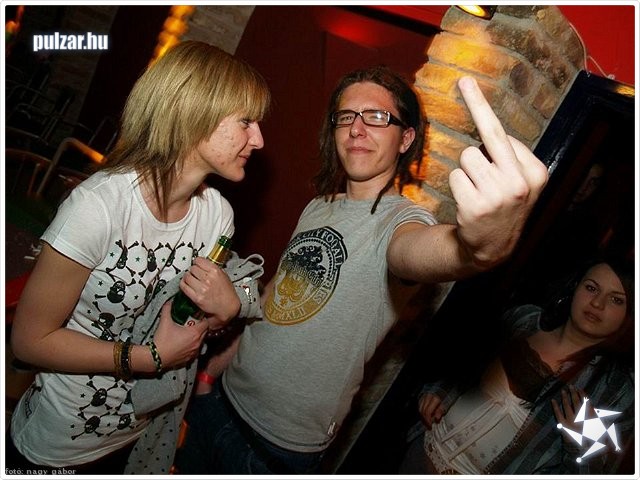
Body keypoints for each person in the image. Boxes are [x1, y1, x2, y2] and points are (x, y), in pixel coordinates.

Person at [173, 65, 548, 474]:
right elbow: (273, 302)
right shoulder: (318, 206)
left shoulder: (401, 222)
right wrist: (213, 372)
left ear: (406, 138)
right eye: (346, 117)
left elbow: (423, 251)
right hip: (220, 401)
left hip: (275, 450)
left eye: (377, 117)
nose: (356, 129)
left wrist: (481, 246)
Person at [7, 41, 270, 474]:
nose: (258, 139)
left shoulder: (217, 215)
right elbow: (29, 341)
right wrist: (149, 358)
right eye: (246, 121)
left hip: (140, 440)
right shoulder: (99, 207)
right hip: (58, 447)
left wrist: (225, 311)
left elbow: (185, 325)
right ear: (193, 113)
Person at [399, 257, 635, 474]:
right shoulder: (525, 319)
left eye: (616, 299)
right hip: (422, 452)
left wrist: (584, 443)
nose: (597, 303)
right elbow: (464, 364)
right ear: (575, 287)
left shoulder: (617, 390)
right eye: (591, 288)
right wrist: (441, 391)